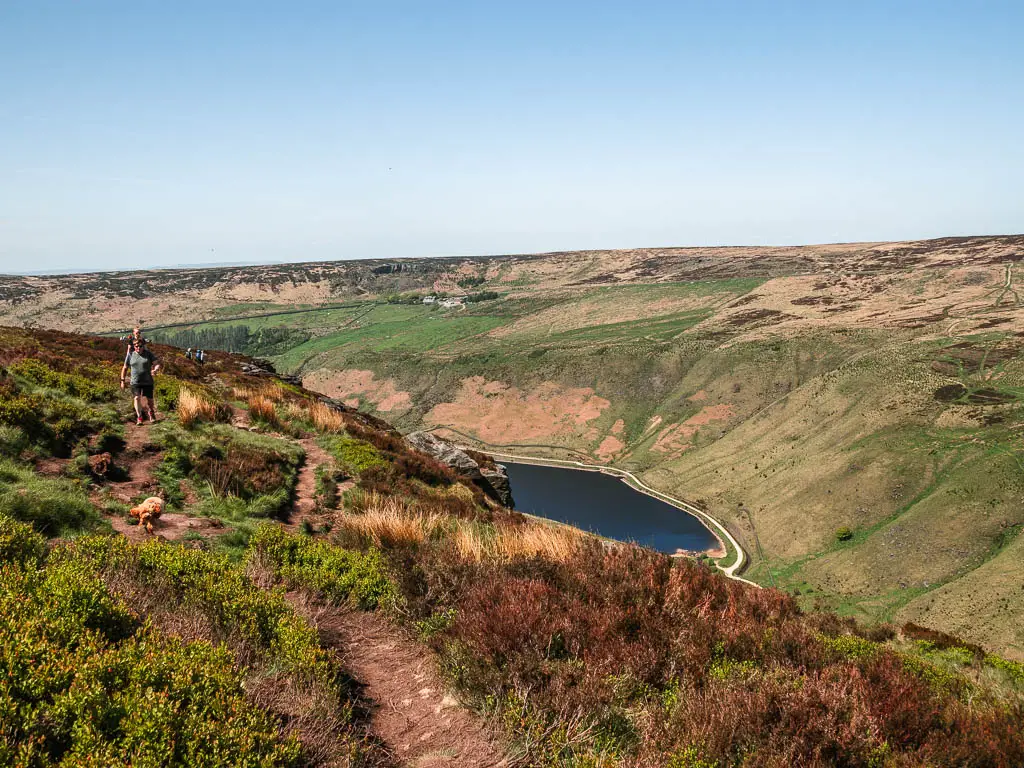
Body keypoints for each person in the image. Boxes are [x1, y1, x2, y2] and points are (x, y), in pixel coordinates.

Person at [121, 339, 161, 425]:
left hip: (148, 381)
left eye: (140, 346)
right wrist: (122, 380)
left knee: (149, 400)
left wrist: (155, 370)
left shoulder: (148, 354)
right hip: (135, 382)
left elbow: (157, 363)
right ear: (134, 347)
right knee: (136, 398)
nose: (138, 348)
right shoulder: (130, 355)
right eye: (136, 346)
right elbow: (125, 368)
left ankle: (151, 412)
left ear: (143, 346)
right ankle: (139, 417)